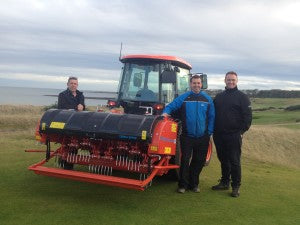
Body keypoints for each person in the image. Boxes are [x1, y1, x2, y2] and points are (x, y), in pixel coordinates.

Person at [162, 74, 215, 193]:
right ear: (190, 84)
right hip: (187, 136)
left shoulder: (207, 99)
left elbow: (212, 117)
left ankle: (194, 184)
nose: (196, 85)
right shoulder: (184, 98)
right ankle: (182, 185)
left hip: (203, 136)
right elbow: (171, 106)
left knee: (199, 161)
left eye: (198, 83)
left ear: (201, 84)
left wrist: (209, 132)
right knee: (185, 160)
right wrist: (165, 113)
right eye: (194, 83)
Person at [212, 71, 252, 197]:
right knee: (223, 159)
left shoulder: (242, 97)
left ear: (237, 81)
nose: (231, 82)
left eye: (233, 80)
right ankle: (224, 182)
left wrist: (241, 132)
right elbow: (213, 114)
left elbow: (248, 117)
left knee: (234, 161)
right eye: (228, 80)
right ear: (225, 80)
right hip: (219, 134)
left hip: (234, 134)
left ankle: (236, 186)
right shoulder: (219, 96)